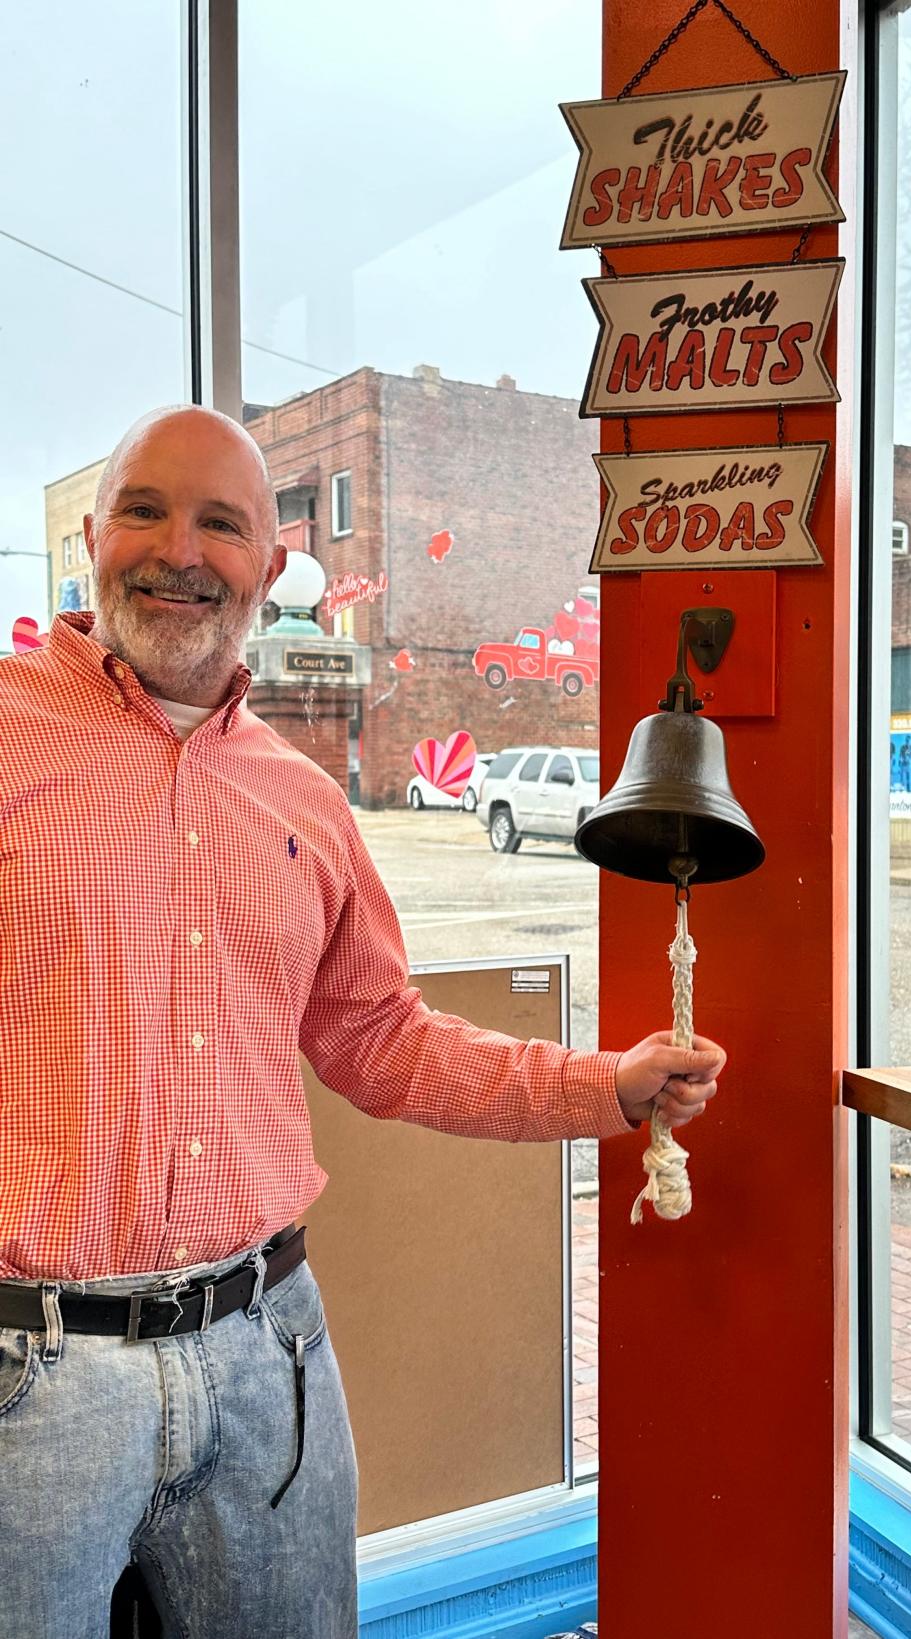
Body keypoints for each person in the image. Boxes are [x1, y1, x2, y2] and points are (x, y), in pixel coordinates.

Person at [0, 406, 727, 1639]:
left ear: (272, 568)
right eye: (144, 510)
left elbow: (385, 1039)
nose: (180, 550)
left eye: (221, 522)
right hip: (32, 1378)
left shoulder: (302, 797)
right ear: (89, 535)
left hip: (267, 1360)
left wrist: (607, 1086)